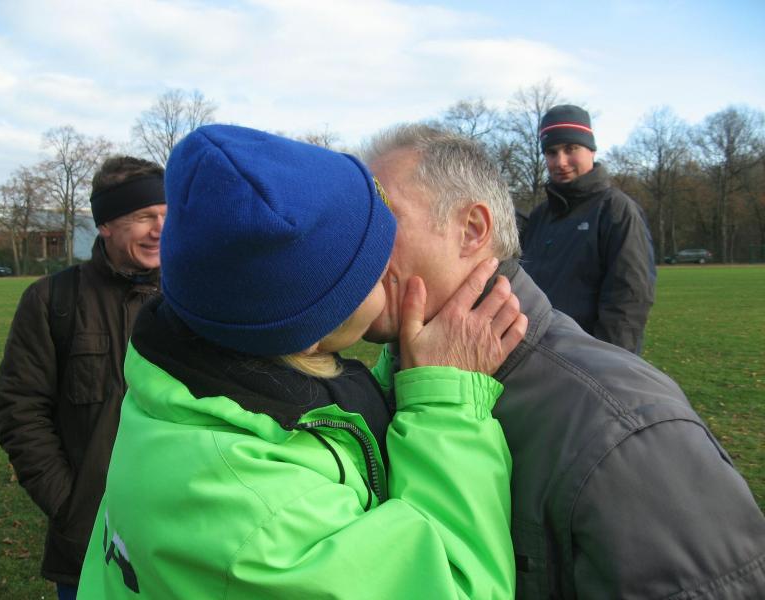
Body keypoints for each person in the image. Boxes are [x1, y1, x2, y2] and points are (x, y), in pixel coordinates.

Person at [76, 125, 527, 599]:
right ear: (309, 332)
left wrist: (398, 378)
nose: (392, 268)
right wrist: (446, 405)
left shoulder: (180, 381)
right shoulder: (263, 519)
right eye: (372, 271)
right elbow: (452, 586)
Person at [363, 123, 765, 599]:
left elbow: (629, 294)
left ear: (472, 230)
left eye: (382, 220)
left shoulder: (626, 435)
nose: (354, 245)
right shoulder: (371, 391)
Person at [0, 156, 167, 600]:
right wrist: (71, 509)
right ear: (105, 224)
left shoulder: (190, 298)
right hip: (87, 547)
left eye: (167, 215)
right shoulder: (52, 300)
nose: (160, 229)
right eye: (144, 216)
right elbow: (20, 413)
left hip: (180, 537)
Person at [521, 104, 656, 354]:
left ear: (591, 150)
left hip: (589, 360)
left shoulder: (617, 211)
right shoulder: (540, 216)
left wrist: (609, 363)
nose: (560, 162)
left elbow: (628, 301)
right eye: (551, 152)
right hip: (538, 357)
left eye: (571, 148)